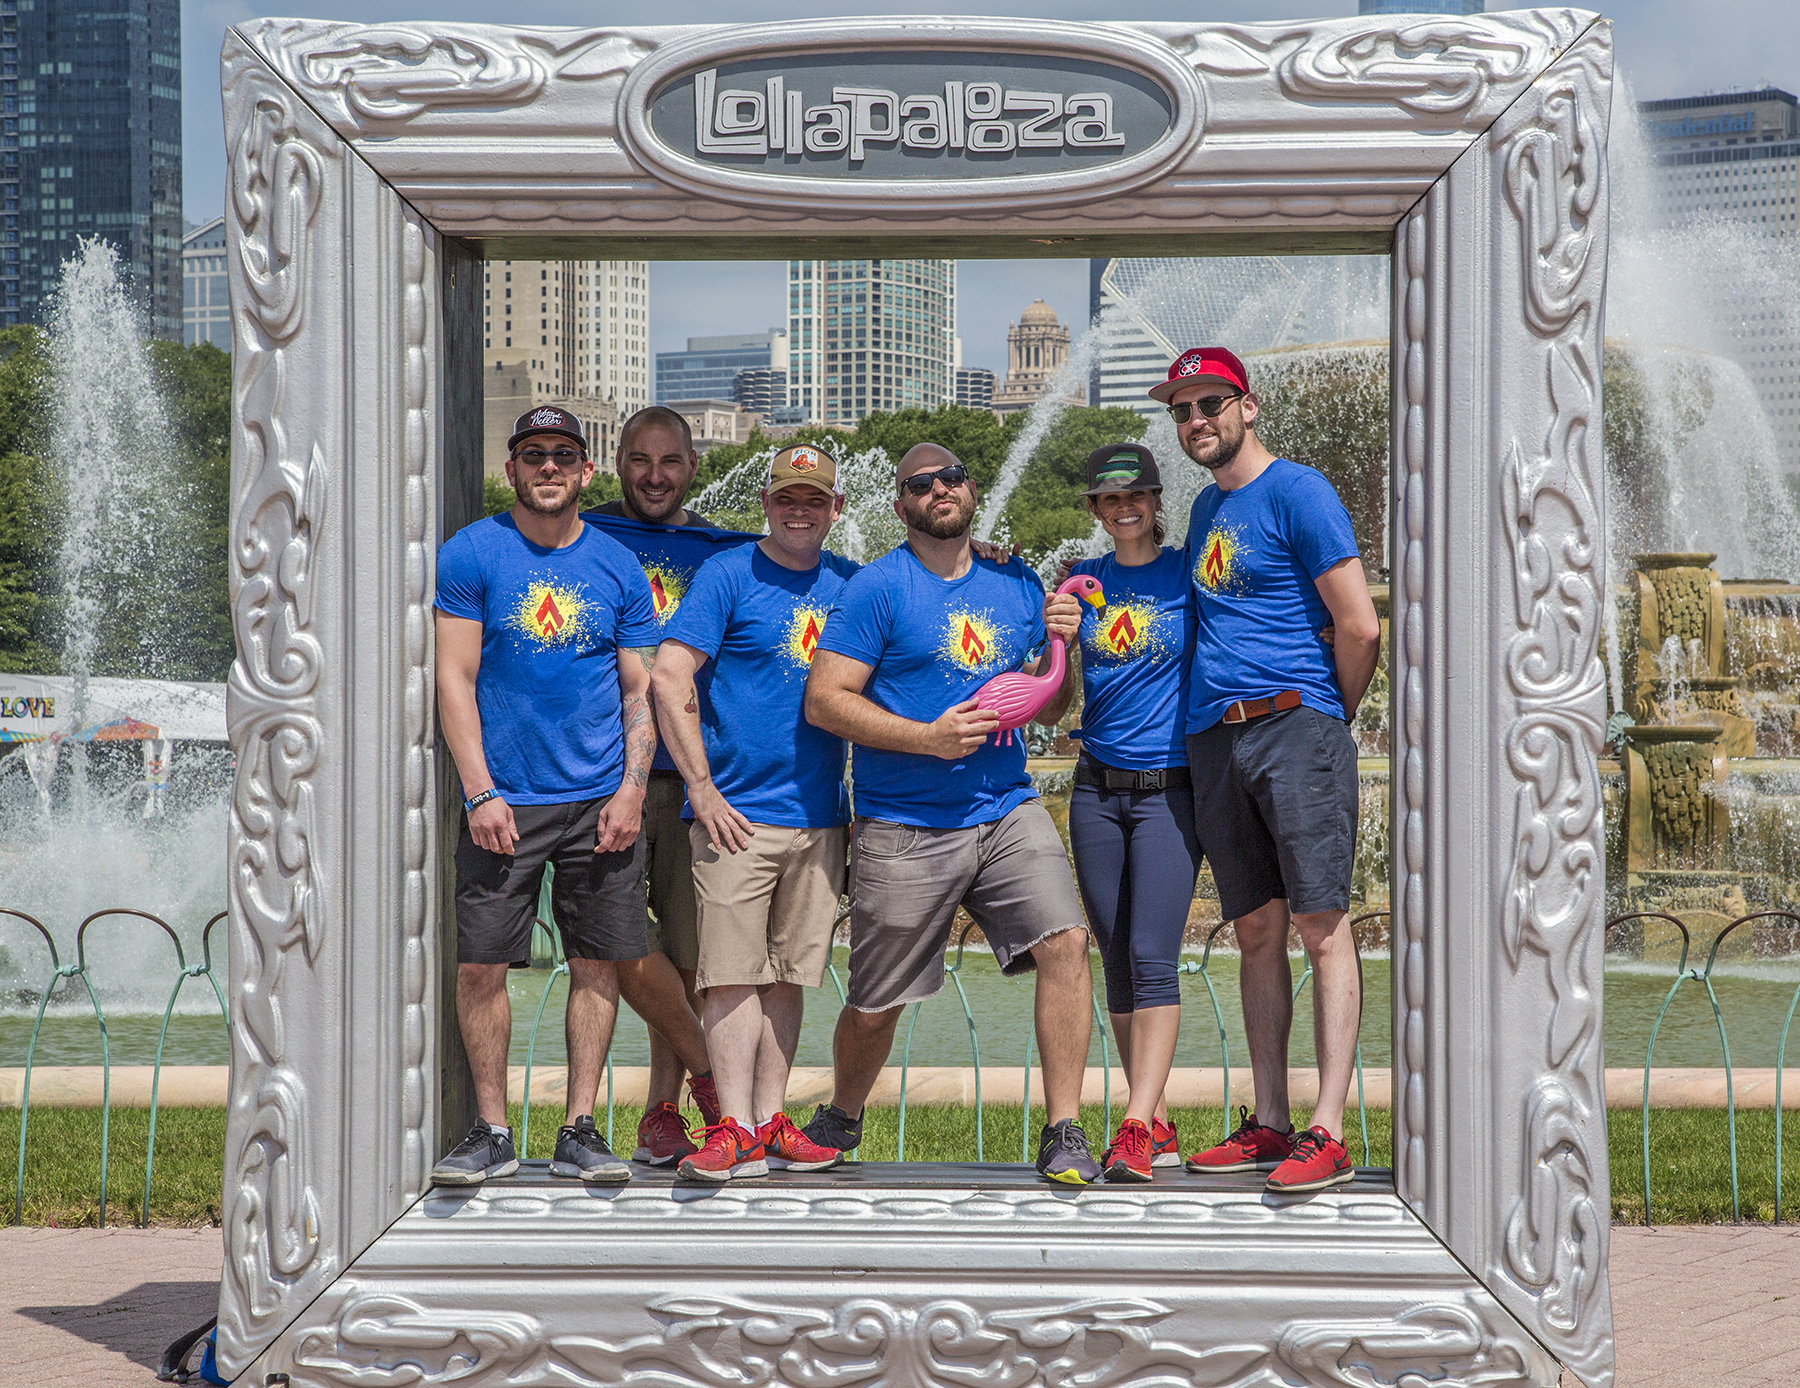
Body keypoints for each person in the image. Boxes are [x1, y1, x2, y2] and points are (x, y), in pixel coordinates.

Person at [803, 442, 1104, 1185]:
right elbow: (825, 700)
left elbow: (1049, 705)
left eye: (953, 477)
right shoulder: (878, 588)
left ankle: (1064, 1129)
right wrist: (926, 739)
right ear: (900, 504)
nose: (940, 488)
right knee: (875, 1004)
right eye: (920, 484)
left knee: (1066, 942)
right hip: (904, 822)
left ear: (971, 490)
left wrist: (1063, 649)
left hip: (1005, 807)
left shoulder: (1015, 580)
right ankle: (841, 1116)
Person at [429, 406, 716, 1186]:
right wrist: (480, 791)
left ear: (587, 470)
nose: (548, 466)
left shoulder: (617, 565)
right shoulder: (472, 553)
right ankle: (492, 1131)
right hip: (505, 799)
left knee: (598, 964)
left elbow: (638, 687)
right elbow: (453, 678)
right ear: (513, 469)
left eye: (563, 454)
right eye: (533, 455)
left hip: (599, 801)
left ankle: (579, 1129)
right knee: (480, 967)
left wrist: (630, 791)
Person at [1157, 348, 1381, 1193]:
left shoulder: (1299, 491)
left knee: (1322, 924)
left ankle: (1329, 1130)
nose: (1195, 420)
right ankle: (1272, 1121)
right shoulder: (1206, 508)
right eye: (1182, 410)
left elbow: (1359, 625)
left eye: (1210, 402)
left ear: (1247, 406)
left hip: (1293, 724)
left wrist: (1325, 714)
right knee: (1256, 930)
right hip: (1217, 739)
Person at [649, 445, 861, 1181]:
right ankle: (733, 1126)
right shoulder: (728, 574)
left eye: (814, 499)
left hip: (819, 816)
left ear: (836, 509)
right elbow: (669, 674)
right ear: (766, 503)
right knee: (732, 976)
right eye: (786, 498)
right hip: (735, 817)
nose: (799, 511)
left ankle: (769, 1122)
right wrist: (701, 789)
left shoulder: (851, 583)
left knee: (789, 976)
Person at [584, 405, 751, 1166]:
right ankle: (712, 1077)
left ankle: (661, 1114)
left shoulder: (723, 551)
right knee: (620, 945)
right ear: (617, 460)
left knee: (687, 957)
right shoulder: (581, 536)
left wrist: (967, 547)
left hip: (690, 782)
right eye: (641, 460)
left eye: (671, 461)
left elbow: (815, 562)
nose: (655, 476)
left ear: (693, 466)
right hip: (603, 780)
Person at [1063, 441, 1204, 1184]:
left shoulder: (1188, 571)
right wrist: (1054, 639)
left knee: (1153, 958)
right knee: (1116, 958)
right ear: (1096, 508)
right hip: (1095, 789)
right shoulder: (1080, 582)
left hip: (1169, 792)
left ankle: (1134, 1125)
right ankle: (1154, 1120)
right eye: (1110, 499)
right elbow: (1056, 696)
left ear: (1155, 502)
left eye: (1137, 496)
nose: (1125, 508)